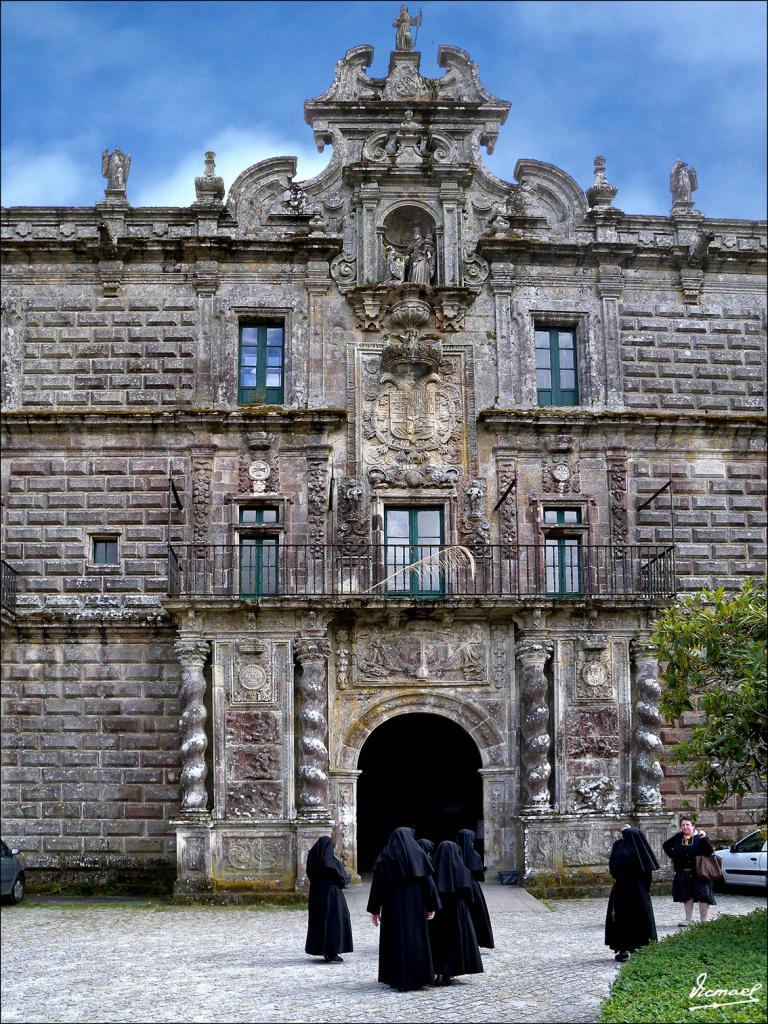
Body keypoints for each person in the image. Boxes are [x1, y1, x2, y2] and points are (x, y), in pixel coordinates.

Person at [366, 826, 441, 991]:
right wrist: (432, 905)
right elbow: (428, 883)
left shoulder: (385, 858)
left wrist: (374, 909)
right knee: (416, 940)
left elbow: (376, 886)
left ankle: (396, 977)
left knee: (395, 941)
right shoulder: (419, 856)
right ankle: (419, 977)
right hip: (415, 908)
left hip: (393, 909)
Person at [429, 841, 484, 986]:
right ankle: (450, 971)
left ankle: (438, 971)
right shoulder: (463, 871)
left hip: (439, 911)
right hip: (458, 912)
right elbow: (469, 895)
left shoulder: (432, 870)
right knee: (456, 940)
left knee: (439, 941)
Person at [604, 825, 659, 962]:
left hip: (622, 888)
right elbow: (648, 872)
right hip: (639, 889)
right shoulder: (640, 847)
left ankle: (623, 948)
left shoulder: (619, 847)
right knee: (641, 917)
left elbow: (613, 868)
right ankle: (643, 947)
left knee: (622, 917)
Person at [304, 836, 353, 964]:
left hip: (316, 894)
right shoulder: (330, 861)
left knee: (321, 922)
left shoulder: (313, 858)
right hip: (332, 894)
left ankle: (325, 950)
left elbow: (310, 873)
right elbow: (342, 878)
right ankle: (332, 951)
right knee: (334, 921)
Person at [662, 817, 717, 925]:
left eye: (687, 825)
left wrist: (704, 838)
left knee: (703, 895)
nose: (685, 827)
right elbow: (666, 846)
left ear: (693, 826)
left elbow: (709, 851)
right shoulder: (679, 837)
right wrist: (674, 856)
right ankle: (688, 919)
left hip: (699, 872)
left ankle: (703, 921)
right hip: (683, 871)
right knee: (686, 895)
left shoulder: (700, 837)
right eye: (683, 825)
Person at [456, 828, 494, 949]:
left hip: (459, 885)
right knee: (477, 914)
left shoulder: (455, 854)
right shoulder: (474, 855)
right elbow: (478, 872)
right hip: (473, 886)